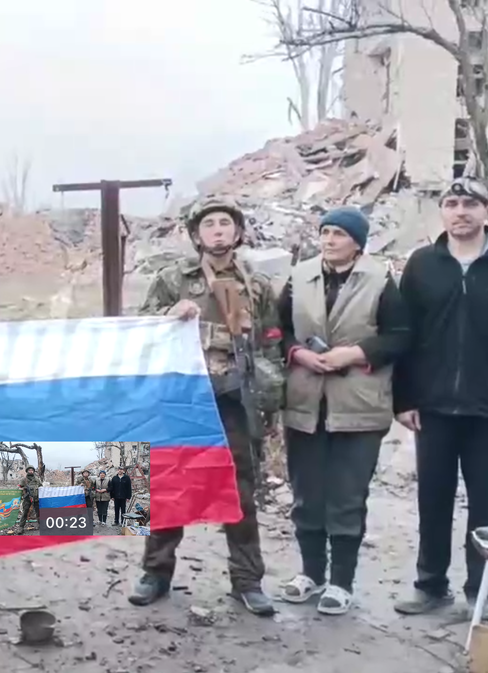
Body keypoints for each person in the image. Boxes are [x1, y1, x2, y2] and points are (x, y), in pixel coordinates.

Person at [391, 176, 488, 617]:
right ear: (442, 211)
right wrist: (403, 398)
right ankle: (430, 585)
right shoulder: (423, 263)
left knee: (485, 503)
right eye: (451, 204)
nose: (460, 212)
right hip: (433, 406)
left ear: (486, 210)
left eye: (470, 204)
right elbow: (405, 335)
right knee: (433, 499)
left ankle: (482, 591)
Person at [128, 196, 285, 617]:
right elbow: (142, 329)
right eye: (209, 224)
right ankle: (156, 573)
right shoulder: (172, 279)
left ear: (238, 232)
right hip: (183, 398)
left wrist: (270, 401)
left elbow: (271, 345)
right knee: (169, 483)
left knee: (240, 490)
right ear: (197, 235)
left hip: (235, 399)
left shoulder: (257, 284)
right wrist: (170, 313)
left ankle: (247, 581)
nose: (218, 230)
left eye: (225, 223)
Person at [276, 206, 411, 615]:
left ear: (358, 243)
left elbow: (400, 336)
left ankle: (341, 582)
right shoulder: (299, 276)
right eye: (325, 232)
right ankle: (311, 574)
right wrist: (298, 353)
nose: (329, 240)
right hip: (305, 402)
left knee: (347, 497)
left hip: (358, 404)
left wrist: (353, 354)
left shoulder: (380, 279)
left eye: (339, 234)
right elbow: (277, 329)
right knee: (307, 494)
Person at [14, 465, 43, 535]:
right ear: (27, 471)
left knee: (38, 512)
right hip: (27, 499)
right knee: (25, 513)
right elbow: (17, 488)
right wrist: (23, 489)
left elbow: (41, 486)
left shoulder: (37, 479)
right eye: (29, 470)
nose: (31, 471)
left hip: (36, 499)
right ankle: (21, 527)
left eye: (32, 470)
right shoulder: (24, 480)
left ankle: (41, 525)